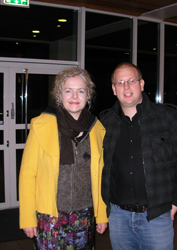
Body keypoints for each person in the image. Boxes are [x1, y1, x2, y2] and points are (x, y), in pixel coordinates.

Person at [100, 62, 177, 250]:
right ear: (113, 89)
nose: (126, 87)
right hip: (118, 216)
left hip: (157, 216)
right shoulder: (104, 122)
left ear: (142, 84)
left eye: (131, 81)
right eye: (120, 83)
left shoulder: (167, 117)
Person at [19, 67, 108, 250]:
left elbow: (101, 176)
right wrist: (27, 218)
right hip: (49, 216)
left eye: (80, 91)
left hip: (84, 216)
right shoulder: (41, 125)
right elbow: (27, 175)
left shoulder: (97, 128)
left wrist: (101, 215)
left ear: (88, 95)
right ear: (60, 95)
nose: (74, 96)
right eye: (68, 90)